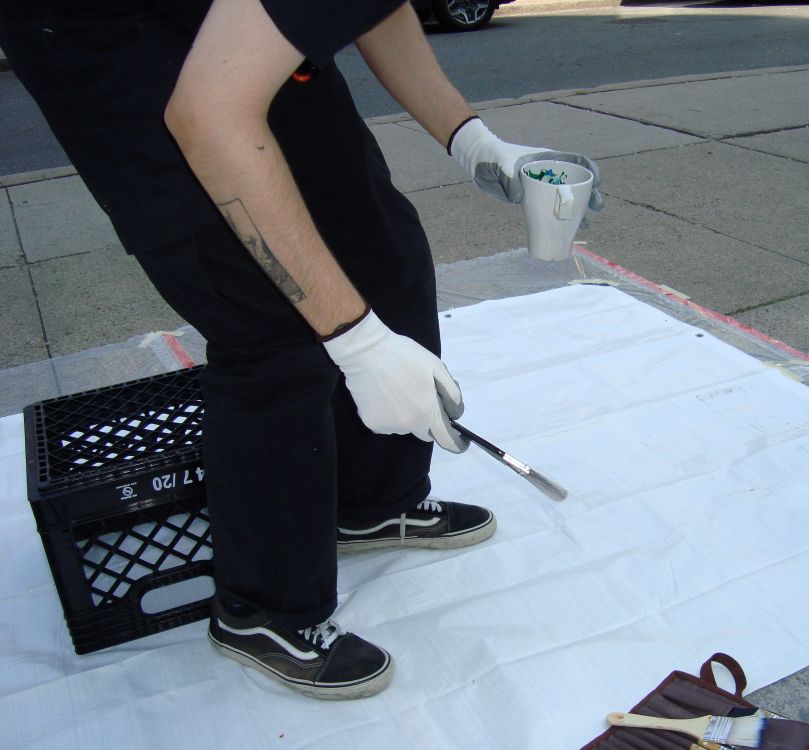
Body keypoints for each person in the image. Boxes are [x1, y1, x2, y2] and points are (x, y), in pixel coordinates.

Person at [0, 0, 601, 699]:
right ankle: (261, 608)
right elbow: (207, 114)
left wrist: (471, 139)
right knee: (271, 324)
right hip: (101, 31)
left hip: (229, 21)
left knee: (382, 253)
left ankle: (370, 502)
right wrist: (359, 342)